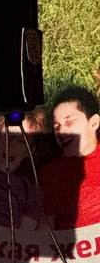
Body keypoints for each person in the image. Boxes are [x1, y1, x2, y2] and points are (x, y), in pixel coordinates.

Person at [40, 86, 100, 230]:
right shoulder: (50, 173)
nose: (61, 130)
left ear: (94, 123)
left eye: (69, 122)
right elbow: (44, 228)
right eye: (56, 126)